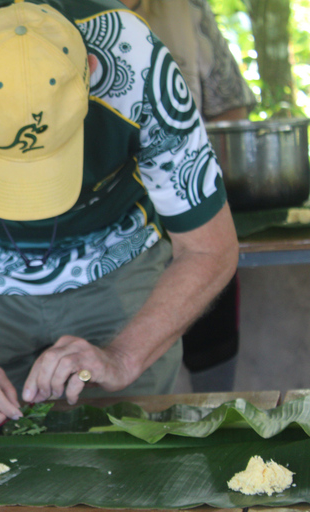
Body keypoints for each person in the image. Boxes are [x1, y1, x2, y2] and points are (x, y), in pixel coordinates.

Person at [0, 0, 239, 430]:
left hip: (115, 261)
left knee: (130, 454)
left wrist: (124, 356)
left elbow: (209, 247)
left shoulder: (134, 56)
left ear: (90, 70)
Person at [119, 0, 257, 392]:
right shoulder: (52, 11)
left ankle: (212, 411)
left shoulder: (187, 8)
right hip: (107, 229)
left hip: (183, 210)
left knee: (211, 322)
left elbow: (231, 107)